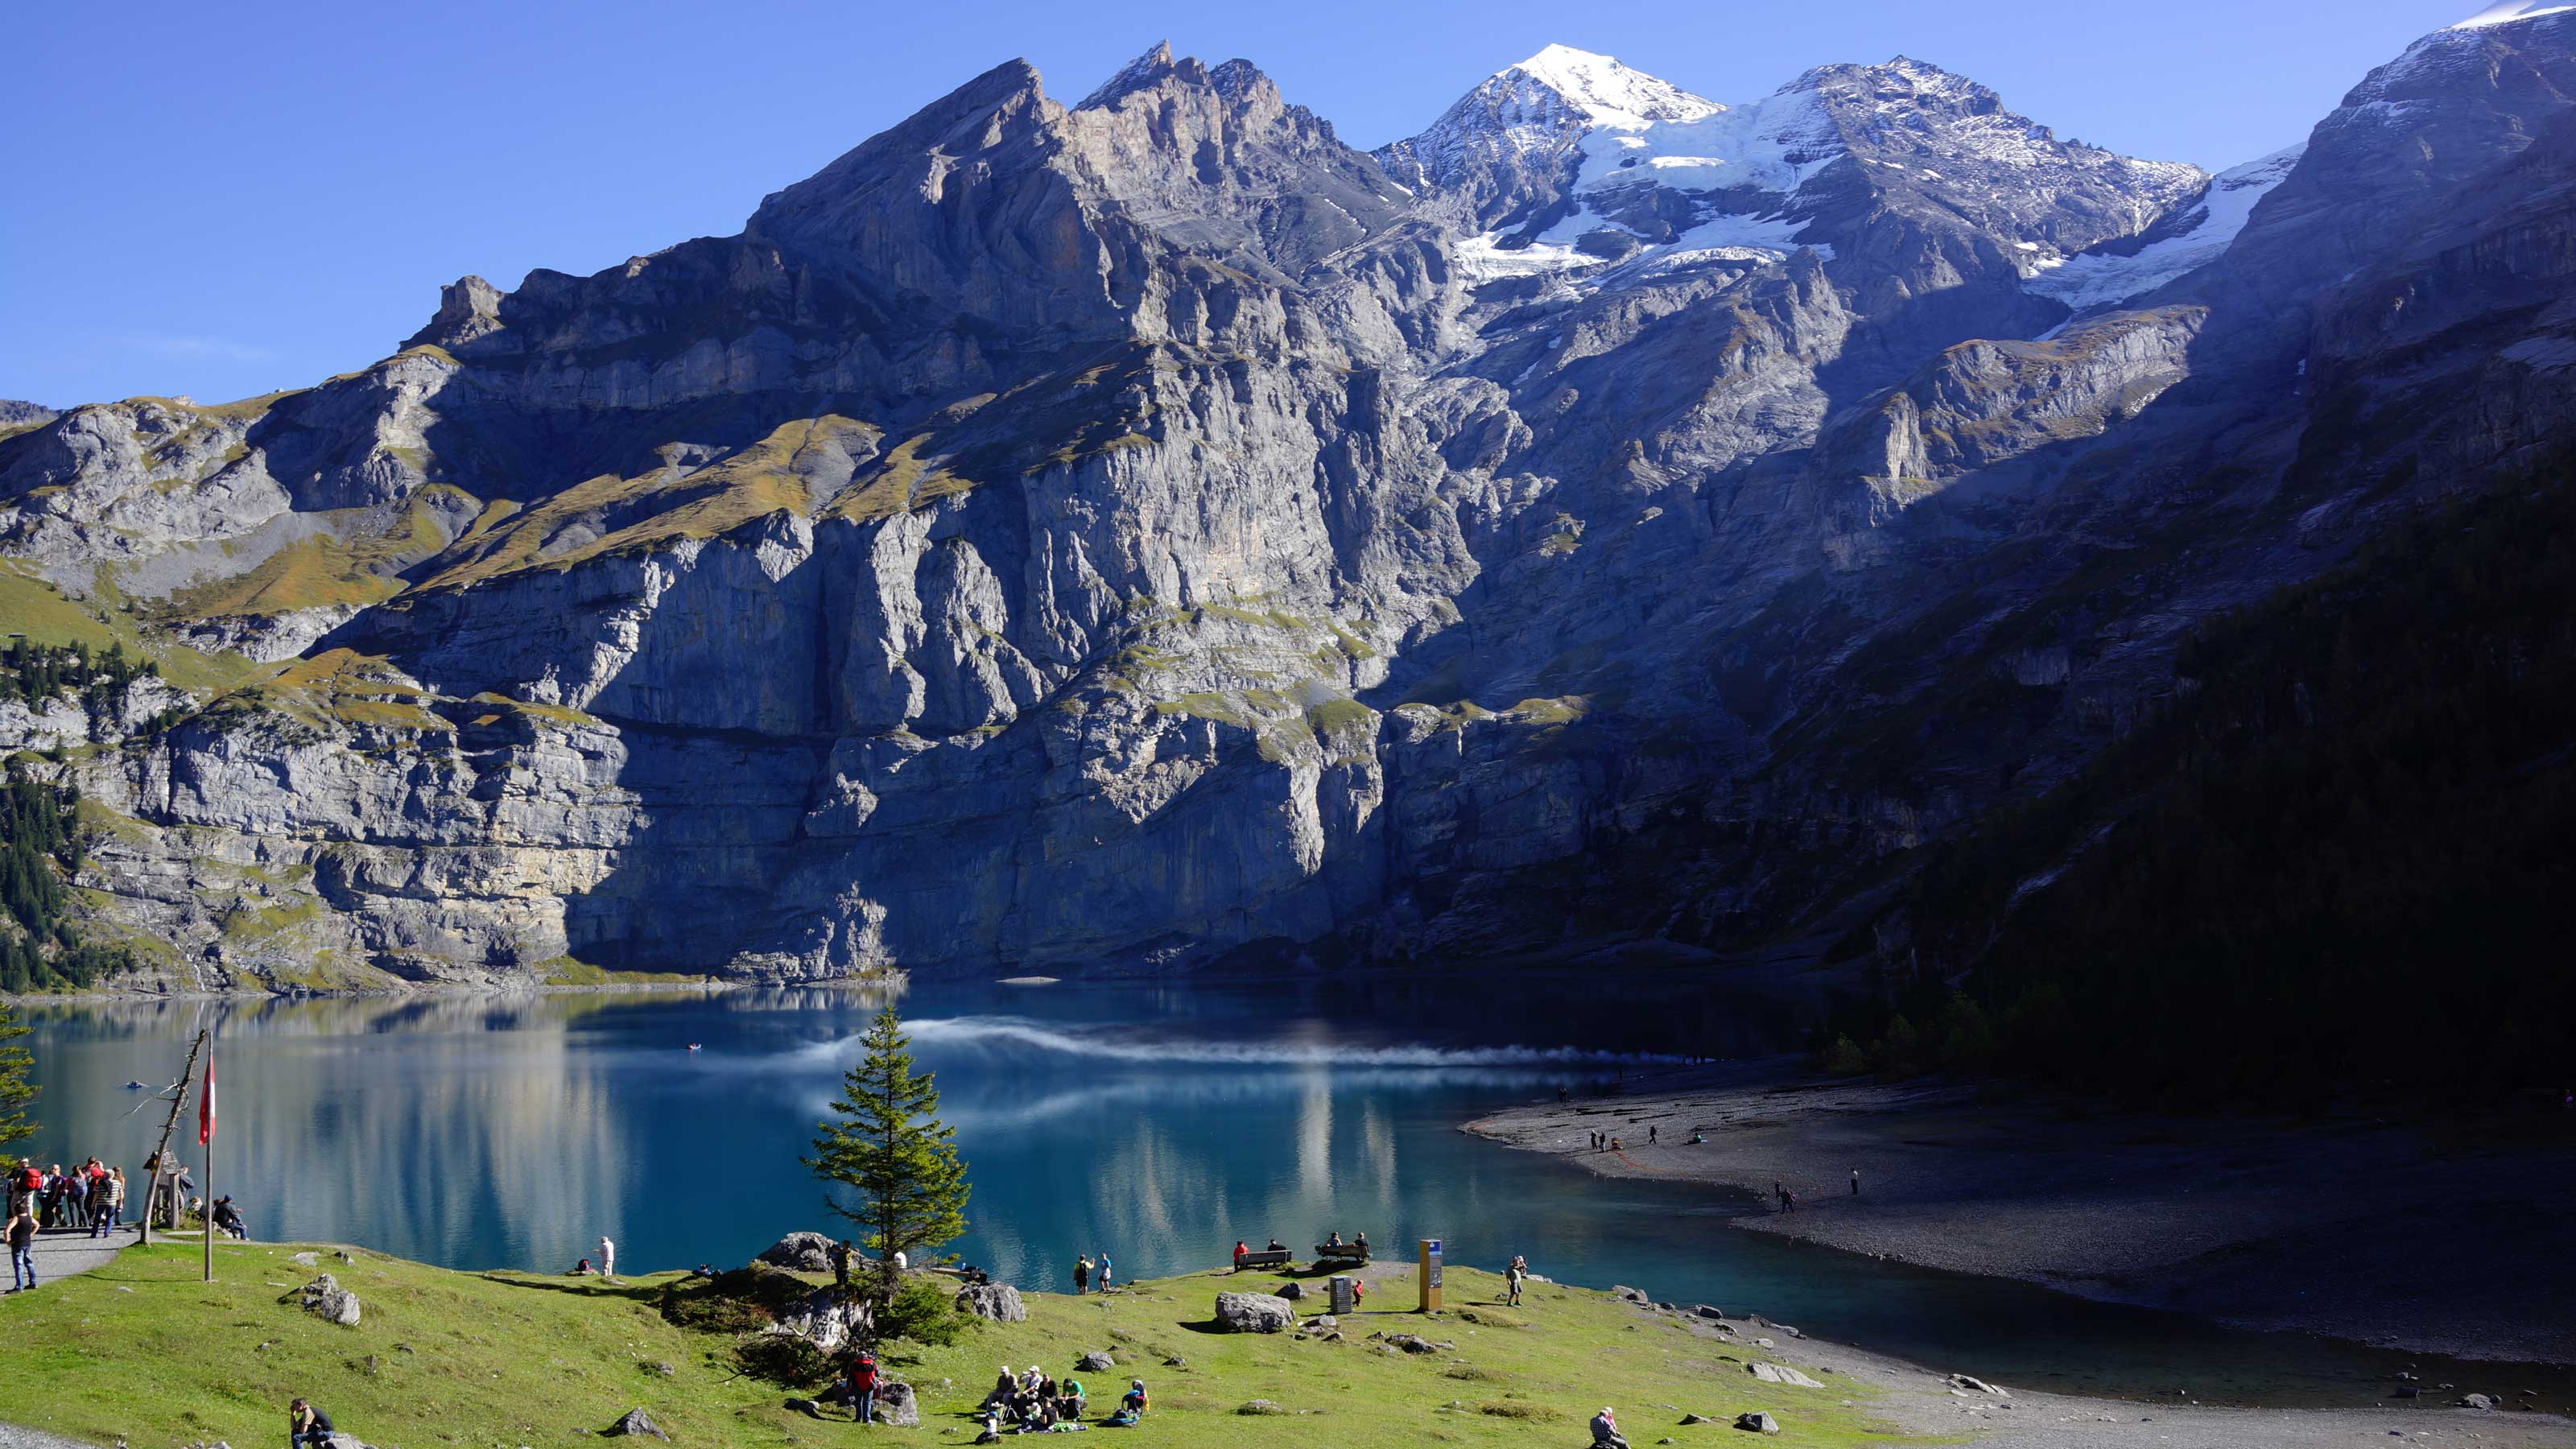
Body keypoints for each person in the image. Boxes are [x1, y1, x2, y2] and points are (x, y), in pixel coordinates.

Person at [7, 1202, 35, 1291]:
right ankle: (33, 1282)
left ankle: (19, 1286)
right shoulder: (28, 1217)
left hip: (17, 1244)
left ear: (15, 1210)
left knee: (19, 1265)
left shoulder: (16, 1218)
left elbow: (7, 1230)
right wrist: (31, 1234)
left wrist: (8, 1241)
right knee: (29, 1263)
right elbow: (37, 1225)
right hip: (27, 1243)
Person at [92, 1166, 125, 1238]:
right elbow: (121, 1194)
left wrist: (93, 1203)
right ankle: (107, 1233)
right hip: (112, 1203)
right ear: (112, 1175)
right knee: (110, 1217)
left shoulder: (100, 1183)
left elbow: (97, 1194)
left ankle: (94, 1233)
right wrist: (121, 1202)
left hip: (101, 1202)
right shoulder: (117, 1183)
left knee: (97, 1218)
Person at [847, 1352, 880, 1423]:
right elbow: (878, 1374)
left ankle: (858, 1418)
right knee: (867, 1402)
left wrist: (848, 1385)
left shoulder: (854, 1364)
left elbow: (850, 1376)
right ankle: (867, 1419)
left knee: (858, 1402)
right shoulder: (872, 1363)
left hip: (857, 1385)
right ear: (866, 1356)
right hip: (869, 1385)